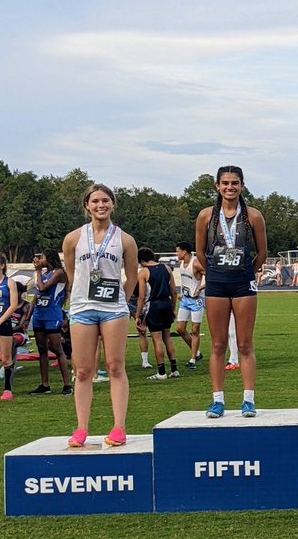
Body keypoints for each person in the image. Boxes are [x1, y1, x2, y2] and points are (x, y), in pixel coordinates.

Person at [63, 184, 139, 446]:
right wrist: (82, 295)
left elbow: (132, 277)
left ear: (113, 204)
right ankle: (81, 428)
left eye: (105, 200)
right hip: (83, 309)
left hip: (113, 311)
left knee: (115, 367)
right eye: (95, 201)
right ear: (87, 206)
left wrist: (121, 301)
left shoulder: (125, 240)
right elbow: (73, 274)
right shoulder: (73, 239)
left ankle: (119, 427)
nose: (100, 205)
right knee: (83, 370)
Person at [195, 165, 268, 418]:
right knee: (218, 344)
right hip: (216, 284)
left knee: (245, 344)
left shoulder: (253, 216)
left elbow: (262, 253)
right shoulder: (206, 216)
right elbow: (201, 252)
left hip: (243, 283)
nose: (230, 187)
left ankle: (248, 399)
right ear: (217, 186)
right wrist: (214, 272)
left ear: (242, 185)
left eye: (234, 183)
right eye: (225, 183)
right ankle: (217, 400)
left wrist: (246, 271)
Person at [28, 250, 73, 395]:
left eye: (42, 258)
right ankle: (44, 384)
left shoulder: (59, 273)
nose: (39, 260)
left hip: (52, 315)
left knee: (57, 348)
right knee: (42, 349)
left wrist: (38, 271)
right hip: (39, 314)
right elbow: (36, 294)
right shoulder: (44, 273)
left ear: (49, 259)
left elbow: (43, 288)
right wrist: (28, 316)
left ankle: (67, 385)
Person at [135, 247, 180, 380]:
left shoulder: (143, 272)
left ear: (142, 260)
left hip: (154, 306)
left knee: (157, 339)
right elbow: (174, 291)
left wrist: (138, 315)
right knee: (167, 338)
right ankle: (174, 369)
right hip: (166, 303)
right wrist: (172, 308)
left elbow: (142, 297)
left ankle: (161, 372)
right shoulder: (166, 268)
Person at [0, 253, 22, 401]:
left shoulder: (10, 283)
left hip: (4, 323)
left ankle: (8, 389)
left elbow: (13, 305)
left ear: (2, 265)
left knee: (6, 359)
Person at [174, 241, 205, 368]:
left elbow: (210, 277)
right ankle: (197, 352)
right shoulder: (181, 264)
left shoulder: (196, 263)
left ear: (185, 251)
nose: (177, 253)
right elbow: (185, 281)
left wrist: (199, 289)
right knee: (180, 329)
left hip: (196, 301)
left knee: (195, 330)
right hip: (185, 300)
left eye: (178, 251)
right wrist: (181, 292)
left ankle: (192, 360)